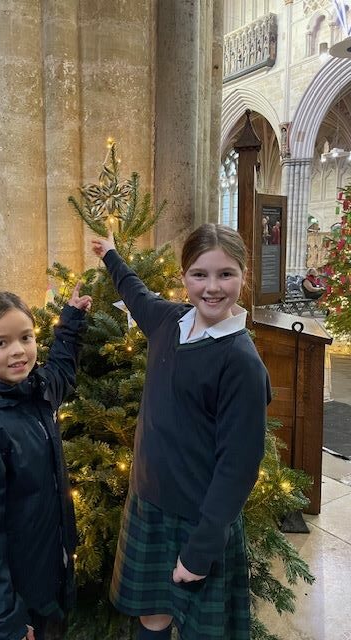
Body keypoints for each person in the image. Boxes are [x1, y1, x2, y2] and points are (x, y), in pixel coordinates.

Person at [91, 223, 271, 640]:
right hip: (149, 503)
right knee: (152, 617)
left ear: (244, 277)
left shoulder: (240, 362)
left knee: (200, 630)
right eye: (199, 274)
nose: (212, 287)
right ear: (183, 277)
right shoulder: (169, 320)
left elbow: (239, 467)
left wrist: (202, 548)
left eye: (225, 274)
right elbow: (135, 294)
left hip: (199, 519)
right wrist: (111, 256)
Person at [0, 285, 92, 640]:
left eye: (26, 337)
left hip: (49, 575)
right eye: (0, 343)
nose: (18, 352)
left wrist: (70, 322)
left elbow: (61, 372)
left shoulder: (34, 392)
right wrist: (5, 619)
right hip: (17, 599)